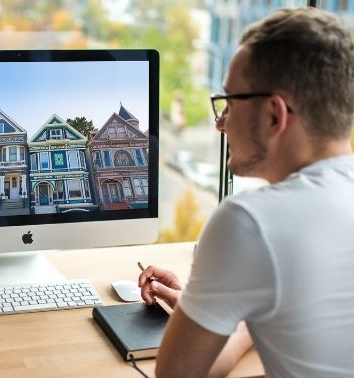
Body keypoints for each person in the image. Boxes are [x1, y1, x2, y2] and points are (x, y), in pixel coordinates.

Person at [138, 8, 354, 378]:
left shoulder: (250, 221)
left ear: (274, 115)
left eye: (230, 103)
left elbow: (177, 374)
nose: (221, 123)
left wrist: (227, 304)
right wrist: (226, 301)